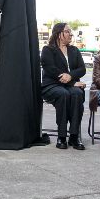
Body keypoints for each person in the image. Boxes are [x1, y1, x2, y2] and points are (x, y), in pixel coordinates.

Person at [40, 22, 87, 150]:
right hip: (52, 85)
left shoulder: (74, 50)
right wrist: (72, 82)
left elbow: (82, 69)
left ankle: (74, 136)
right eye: (67, 31)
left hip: (71, 86)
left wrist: (70, 76)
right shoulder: (48, 50)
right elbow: (51, 69)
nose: (70, 34)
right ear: (59, 34)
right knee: (63, 94)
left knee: (77, 93)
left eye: (70, 32)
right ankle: (61, 136)